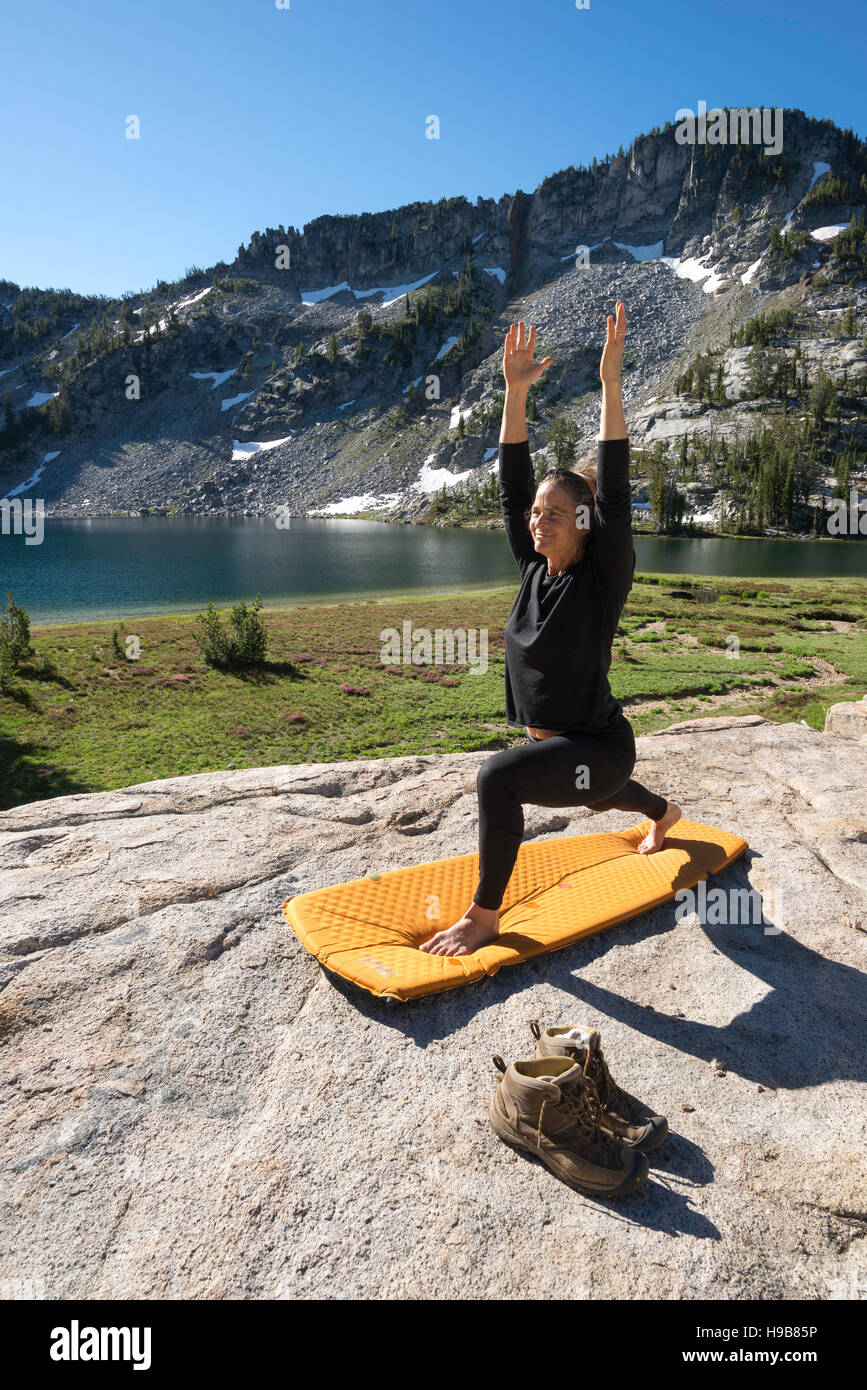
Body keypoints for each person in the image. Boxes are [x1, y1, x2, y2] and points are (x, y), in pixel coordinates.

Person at [420, 304, 681, 958]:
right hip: (581, 756)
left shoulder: (602, 576)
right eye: (537, 513)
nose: (538, 522)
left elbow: (615, 488)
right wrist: (513, 393)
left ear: (585, 522)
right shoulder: (533, 566)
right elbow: (510, 489)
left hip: (598, 744)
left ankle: (483, 917)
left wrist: (611, 386)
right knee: (600, 798)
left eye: (555, 513)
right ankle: (663, 814)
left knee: (496, 778)